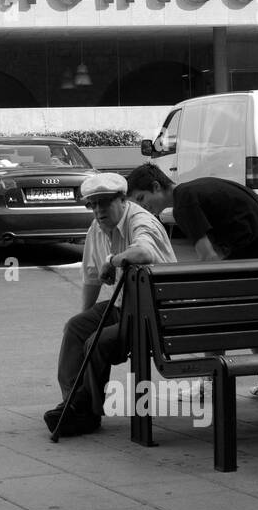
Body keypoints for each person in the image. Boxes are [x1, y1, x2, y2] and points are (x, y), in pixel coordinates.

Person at [126, 163, 258, 402]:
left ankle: (210, 382)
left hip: (257, 270)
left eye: (142, 198)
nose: (143, 207)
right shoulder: (203, 187)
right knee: (246, 309)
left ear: (156, 186)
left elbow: (208, 259)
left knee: (209, 305)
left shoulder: (183, 202)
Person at [45, 172, 176, 437]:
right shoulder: (98, 226)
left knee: (96, 341)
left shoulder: (139, 220)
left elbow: (144, 252)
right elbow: (92, 278)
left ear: (122, 199)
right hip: (126, 307)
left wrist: (114, 260)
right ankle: (74, 404)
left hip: (157, 313)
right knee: (76, 328)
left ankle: (86, 413)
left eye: (103, 203)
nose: (98, 210)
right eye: (92, 205)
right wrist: (86, 317)